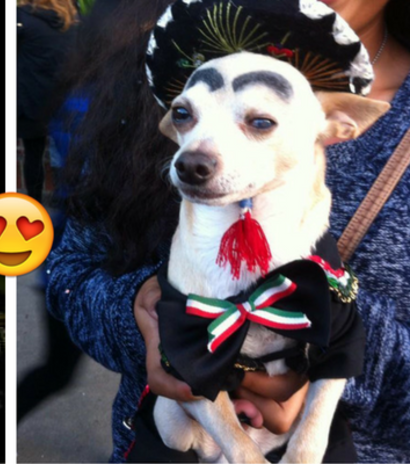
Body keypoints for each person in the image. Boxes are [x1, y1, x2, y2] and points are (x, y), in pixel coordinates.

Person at [46, 0, 410, 462]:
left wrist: (317, 348)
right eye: (183, 118)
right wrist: (147, 319)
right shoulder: (163, 74)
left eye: (259, 123)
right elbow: (70, 274)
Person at [17, 0, 78, 203]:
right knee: (65, 154)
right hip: (63, 99)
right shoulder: (72, 20)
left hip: (30, 100)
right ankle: (67, 205)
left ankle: (34, 207)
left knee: (33, 157)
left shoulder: (22, 18)